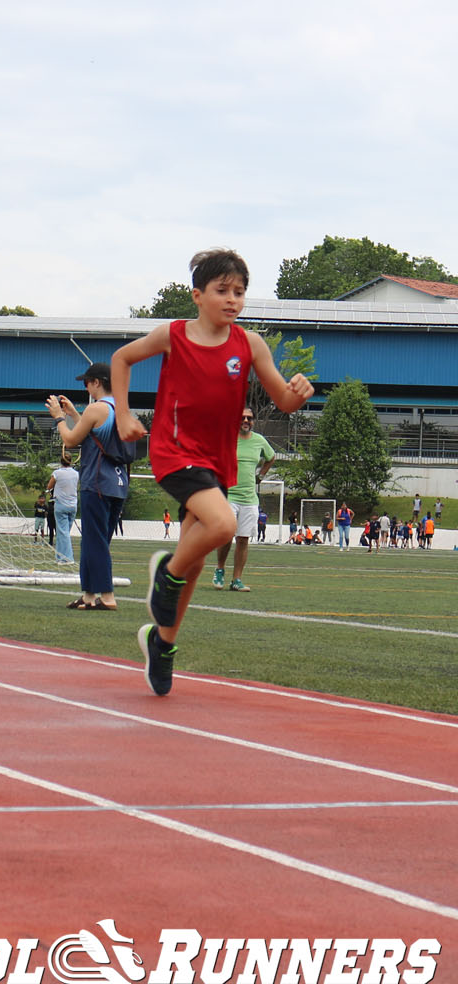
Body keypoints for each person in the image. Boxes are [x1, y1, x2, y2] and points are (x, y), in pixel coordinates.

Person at [110, 249, 314, 696]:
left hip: (216, 462)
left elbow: (282, 400)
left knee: (196, 561)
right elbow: (121, 359)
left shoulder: (250, 344)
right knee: (222, 525)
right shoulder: (174, 335)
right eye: (222, 291)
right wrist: (124, 415)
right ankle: (166, 572)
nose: (232, 299)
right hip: (174, 450)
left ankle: (161, 644)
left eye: (239, 292)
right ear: (197, 295)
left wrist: (299, 392)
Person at [46, 361, 132, 609]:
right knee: (96, 541)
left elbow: (72, 439)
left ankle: (107, 596)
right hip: (118, 483)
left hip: (97, 482)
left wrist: (59, 418)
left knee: (95, 542)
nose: (86, 387)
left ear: (97, 383)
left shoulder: (97, 409)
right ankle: (89, 595)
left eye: (87, 382)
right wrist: (74, 414)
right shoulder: (122, 408)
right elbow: (95, 431)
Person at [212, 408, 275, 592]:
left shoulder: (259, 440)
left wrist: (261, 475)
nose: (246, 420)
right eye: (242, 418)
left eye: (249, 418)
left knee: (243, 539)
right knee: (226, 535)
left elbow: (271, 458)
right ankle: (220, 570)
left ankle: (236, 580)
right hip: (229, 496)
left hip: (249, 499)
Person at [45, 452, 79, 565]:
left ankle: (68, 558)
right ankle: (59, 557)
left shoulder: (57, 473)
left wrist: (50, 491)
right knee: (63, 533)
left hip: (61, 505)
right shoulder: (76, 474)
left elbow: (49, 486)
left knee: (63, 532)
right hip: (73, 505)